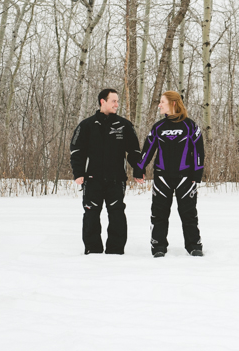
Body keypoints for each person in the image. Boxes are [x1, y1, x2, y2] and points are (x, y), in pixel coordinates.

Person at [70, 89, 143, 255]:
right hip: (92, 179)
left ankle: (115, 250)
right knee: (91, 213)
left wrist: (138, 170)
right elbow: (76, 150)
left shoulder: (124, 125)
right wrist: (78, 172)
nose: (117, 104)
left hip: (116, 180)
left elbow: (134, 151)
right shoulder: (86, 125)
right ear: (103, 101)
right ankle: (93, 249)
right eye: (114, 101)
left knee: (117, 213)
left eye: (117, 101)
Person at [136, 91, 205, 257]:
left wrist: (197, 174)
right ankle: (158, 246)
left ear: (173, 103)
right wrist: (139, 168)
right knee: (159, 214)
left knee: (189, 215)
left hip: (185, 179)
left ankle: (194, 246)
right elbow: (147, 150)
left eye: (162, 102)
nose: (159, 105)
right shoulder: (158, 127)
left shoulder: (190, 126)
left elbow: (199, 151)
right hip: (162, 178)